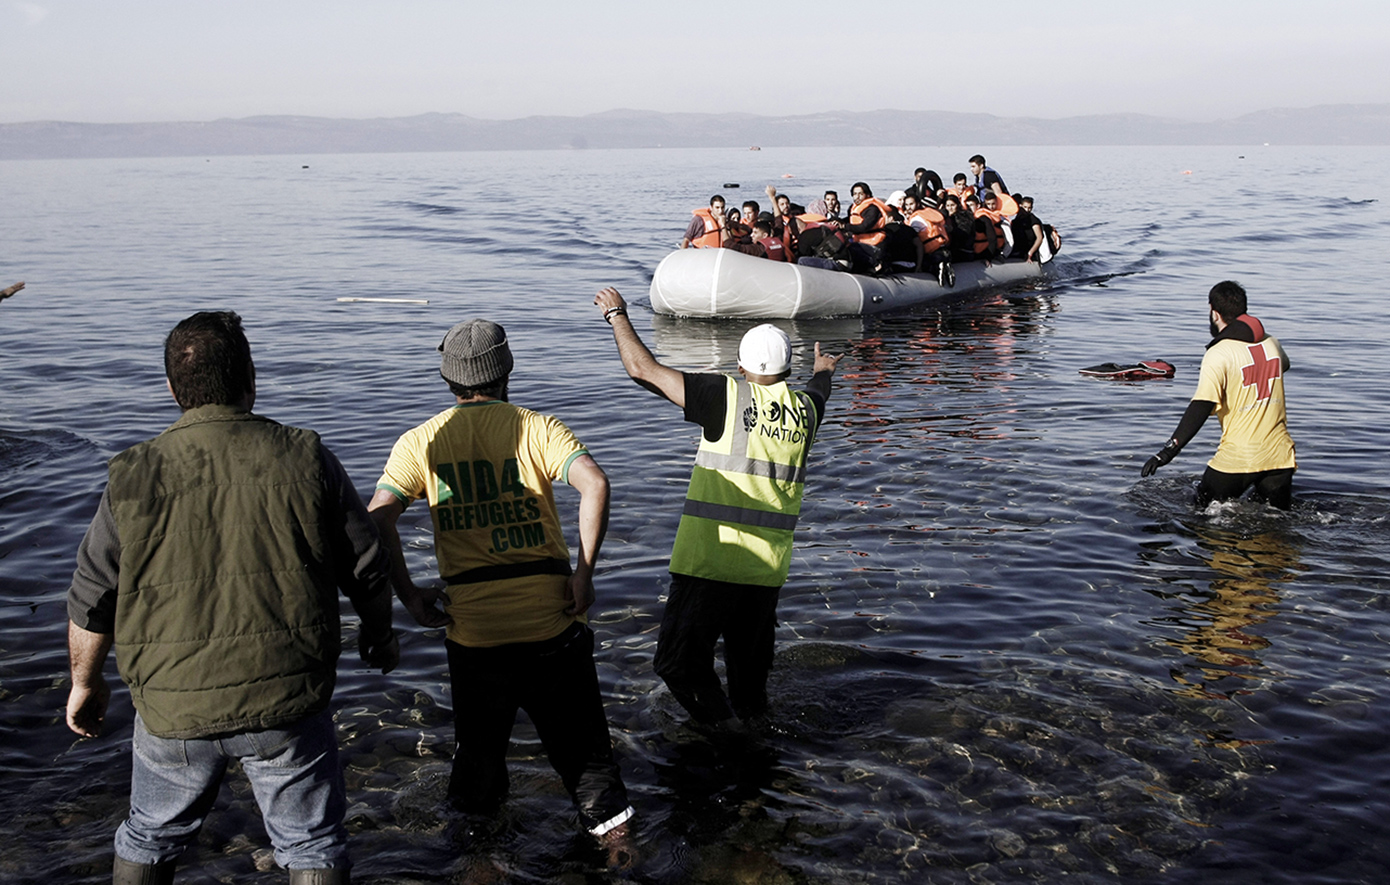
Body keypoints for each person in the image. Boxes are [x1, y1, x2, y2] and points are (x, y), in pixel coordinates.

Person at [65, 311, 399, 885]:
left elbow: (92, 597)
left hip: (172, 706)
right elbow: (366, 565)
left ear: (173, 390)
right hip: (286, 699)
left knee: (150, 833)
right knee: (311, 844)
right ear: (251, 378)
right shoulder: (305, 455)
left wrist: (84, 683)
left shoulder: (132, 472)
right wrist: (378, 635)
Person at [367, 319, 634, 841]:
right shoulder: (539, 428)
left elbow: (377, 520)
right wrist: (584, 573)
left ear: (448, 378)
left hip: (475, 636)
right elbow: (596, 484)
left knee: (478, 775)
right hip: (551, 626)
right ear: (506, 370)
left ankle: (480, 863)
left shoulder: (421, 441)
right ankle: (622, 860)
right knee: (589, 768)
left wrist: (410, 596)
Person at [592, 287, 841, 731]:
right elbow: (818, 392)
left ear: (741, 367)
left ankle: (729, 737)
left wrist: (616, 315)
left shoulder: (726, 396)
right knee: (750, 686)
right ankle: (756, 765)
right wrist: (823, 371)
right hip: (765, 574)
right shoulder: (804, 412)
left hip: (711, 564)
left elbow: (642, 370)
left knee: (676, 664)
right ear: (787, 370)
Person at [1141, 281, 1296, 509]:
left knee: (1200, 513)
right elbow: (1284, 366)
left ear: (1214, 313)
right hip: (1279, 456)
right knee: (1277, 526)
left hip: (1237, 459)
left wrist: (1167, 451)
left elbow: (1202, 405)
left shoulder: (1218, 353)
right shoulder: (1272, 344)